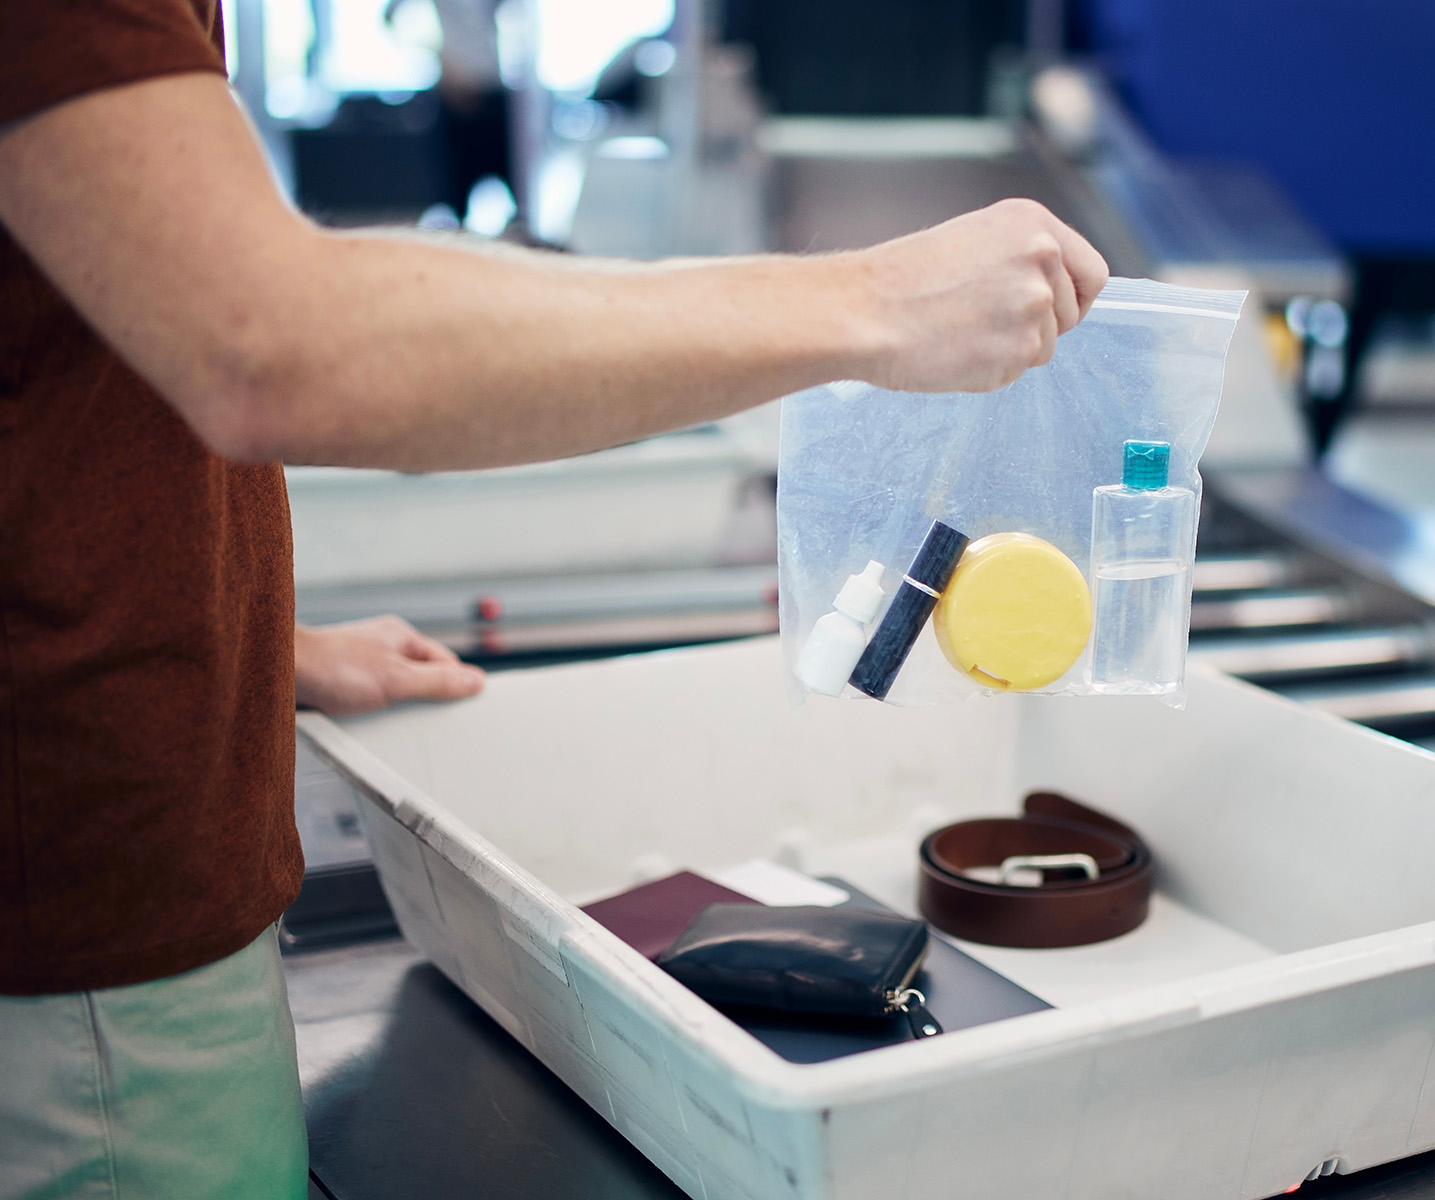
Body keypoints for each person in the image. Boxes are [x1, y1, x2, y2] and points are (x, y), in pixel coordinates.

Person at [0, 2, 1109, 1196]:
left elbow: (77, 362)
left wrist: (245, 625)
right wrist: (875, 303)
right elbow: (264, 339)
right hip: (82, 956)